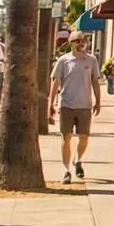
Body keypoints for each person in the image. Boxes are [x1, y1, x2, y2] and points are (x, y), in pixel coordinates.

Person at [47, 33, 103, 184]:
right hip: (66, 105)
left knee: (83, 137)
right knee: (66, 137)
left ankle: (78, 160)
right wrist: (50, 104)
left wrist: (98, 101)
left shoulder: (91, 60)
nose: (81, 44)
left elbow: (95, 82)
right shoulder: (63, 61)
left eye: (83, 41)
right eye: (77, 41)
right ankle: (66, 170)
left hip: (85, 105)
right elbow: (55, 83)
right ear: (71, 43)